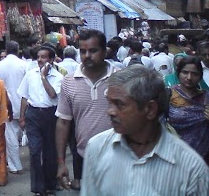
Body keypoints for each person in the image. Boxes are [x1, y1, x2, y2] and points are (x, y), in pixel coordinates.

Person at [82, 66, 209, 195]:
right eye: (109, 103)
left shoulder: (191, 168)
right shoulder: (97, 148)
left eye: (119, 104)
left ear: (150, 109)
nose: (110, 112)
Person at [55, 29, 114, 192]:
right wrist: (61, 162)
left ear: (104, 51)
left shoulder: (120, 78)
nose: (87, 55)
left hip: (118, 157)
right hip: (84, 157)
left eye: (93, 50)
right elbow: (63, 122)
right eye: (83, 51)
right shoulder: (69, 82)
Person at [18, 44, 63, 196]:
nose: (40, 60)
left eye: (43, 57)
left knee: (50, 151)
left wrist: (43, 77)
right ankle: (38, 187)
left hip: (50, 115)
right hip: (34, 115)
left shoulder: (58, 77)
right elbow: (24, 96)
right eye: (38, 57)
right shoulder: (30, 74)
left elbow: (52, 95)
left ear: (51, 59)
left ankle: (51, 184)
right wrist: (22, 116)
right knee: (35, 151)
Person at [167, 56, 209, 163]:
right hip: (173, 155)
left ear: (200, 76)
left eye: (194, 74)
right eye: (185, 72)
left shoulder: (206, 98)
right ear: (178, 73)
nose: (189, 77)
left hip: (202, 158)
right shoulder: (168, 95)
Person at [0, 40, 26, 174]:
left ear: (6, 51)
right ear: (18, 50)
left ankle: (15, 165)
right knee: (26, 133)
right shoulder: (24, 65)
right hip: (24, 104)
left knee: (11, 136)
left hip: (8, 105)